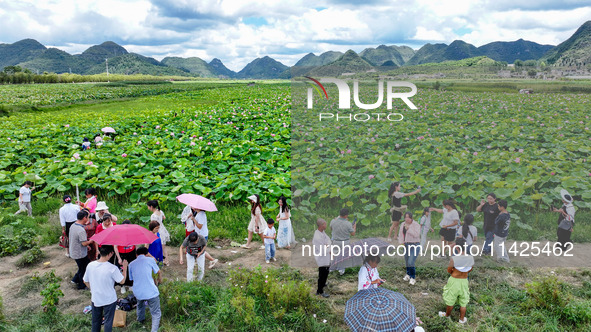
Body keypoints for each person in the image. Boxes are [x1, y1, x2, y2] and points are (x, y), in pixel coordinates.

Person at [83, 245, 127, 332]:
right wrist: (125, 269)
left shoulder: (90, 265)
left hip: (96, 298)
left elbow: (85, 281)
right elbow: (122, 281)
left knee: (96, 321)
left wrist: (92, 289)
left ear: (99, 251)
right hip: (109, 299)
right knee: (108, 322)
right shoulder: (112, 268)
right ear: (110, 254)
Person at [439, 238, 474, 325]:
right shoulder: (470, 258)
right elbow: (470, 269)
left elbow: (449, 270)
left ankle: (447, 316)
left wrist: (454, 272)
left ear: (457, 248)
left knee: (451, 298)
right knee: (463, 300)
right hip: (464, 280)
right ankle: (461, 319)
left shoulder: (454, 258)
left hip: (454, 280)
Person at [129, 247, 162, 332]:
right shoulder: (150, 260)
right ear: (147, 254)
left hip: (138, 292)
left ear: (136, 255)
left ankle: (140, 320)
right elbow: (158, 272)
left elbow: (131, 279)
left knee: (140, 306)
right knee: (156, 313)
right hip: (151, 292)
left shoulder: (131, 264)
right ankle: (154, 330)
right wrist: (159, 280)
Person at [69, 210, 95, 290]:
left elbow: (77, 240)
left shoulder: (73, 225)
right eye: (87, 217)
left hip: (74, 251)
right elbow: (84, 243)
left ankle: (75, 280)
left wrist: (86, 246)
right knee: (83, 269)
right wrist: (91, 240)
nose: (88, 219)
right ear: (84, 218)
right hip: (79, 254)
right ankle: (82, 285)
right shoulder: (81, 230)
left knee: (82, 266)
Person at [331, 208, 356, 275]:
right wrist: (354, 226)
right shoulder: (348, 224)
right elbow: (353, 234)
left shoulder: (333, 221)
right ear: (346, 215)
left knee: (335, 254)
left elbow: (331, 228)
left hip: (335, 241)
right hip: (345, 242)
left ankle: (333, 267)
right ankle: (341, 269)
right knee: (343, 255)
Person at [398, 212, 421, 285]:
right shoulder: (403, 224)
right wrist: (402, 242)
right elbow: (401, 234)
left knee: (411, 261)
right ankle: (408, 274)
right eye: (405, 217)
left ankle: (412, 277)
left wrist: (409, 229)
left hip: (415, 244)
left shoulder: (416, 224)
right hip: (406, 244)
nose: (406, 219)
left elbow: (416, 234)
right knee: (407, 261)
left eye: (408, 217)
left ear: (411, 218)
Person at [116, 219, 136, 294]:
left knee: (131, 269)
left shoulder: (132, 233)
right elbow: (115, 247)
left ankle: (130, 284)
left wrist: (136, 253)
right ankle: (122, 286)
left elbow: (135, 243)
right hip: (122, 254)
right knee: (122, 270)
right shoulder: (118, 234)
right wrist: (119, 258)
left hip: (131, 253)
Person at [313, 218, 331, 298]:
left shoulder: (322, 232)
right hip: (321, 258)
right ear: (321, 225)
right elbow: (322, 249)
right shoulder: (317, 236)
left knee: (327, 271)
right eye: (325, 224)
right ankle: (319, 291)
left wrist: (327, 246)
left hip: (326, 256)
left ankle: (323, 283)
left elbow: (328, 240)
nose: (326, 226)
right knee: (322, 274)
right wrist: (328, 247)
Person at [147, 200, 169, 265]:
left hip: (158, 231)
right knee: (163, 246)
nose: (148, 208)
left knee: (159, 247)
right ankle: (166, 260)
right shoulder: (160, 211)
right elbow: (164, 217)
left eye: (148, 206)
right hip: (163, 229)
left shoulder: (153, 216)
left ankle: (160, 260)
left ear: (151, 207)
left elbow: (153, 225)